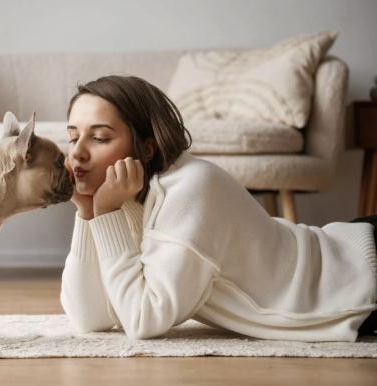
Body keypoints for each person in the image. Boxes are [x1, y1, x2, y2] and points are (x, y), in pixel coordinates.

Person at [60, 75, 377, 342]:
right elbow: (92, 318)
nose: (78, 154)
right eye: (73, 137)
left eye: (100, 137)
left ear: (146, 147)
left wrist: (104, 214)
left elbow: (144, 318)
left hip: (360, 279)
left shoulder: (191, 187)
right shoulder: (121, 199)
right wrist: (88, 214)